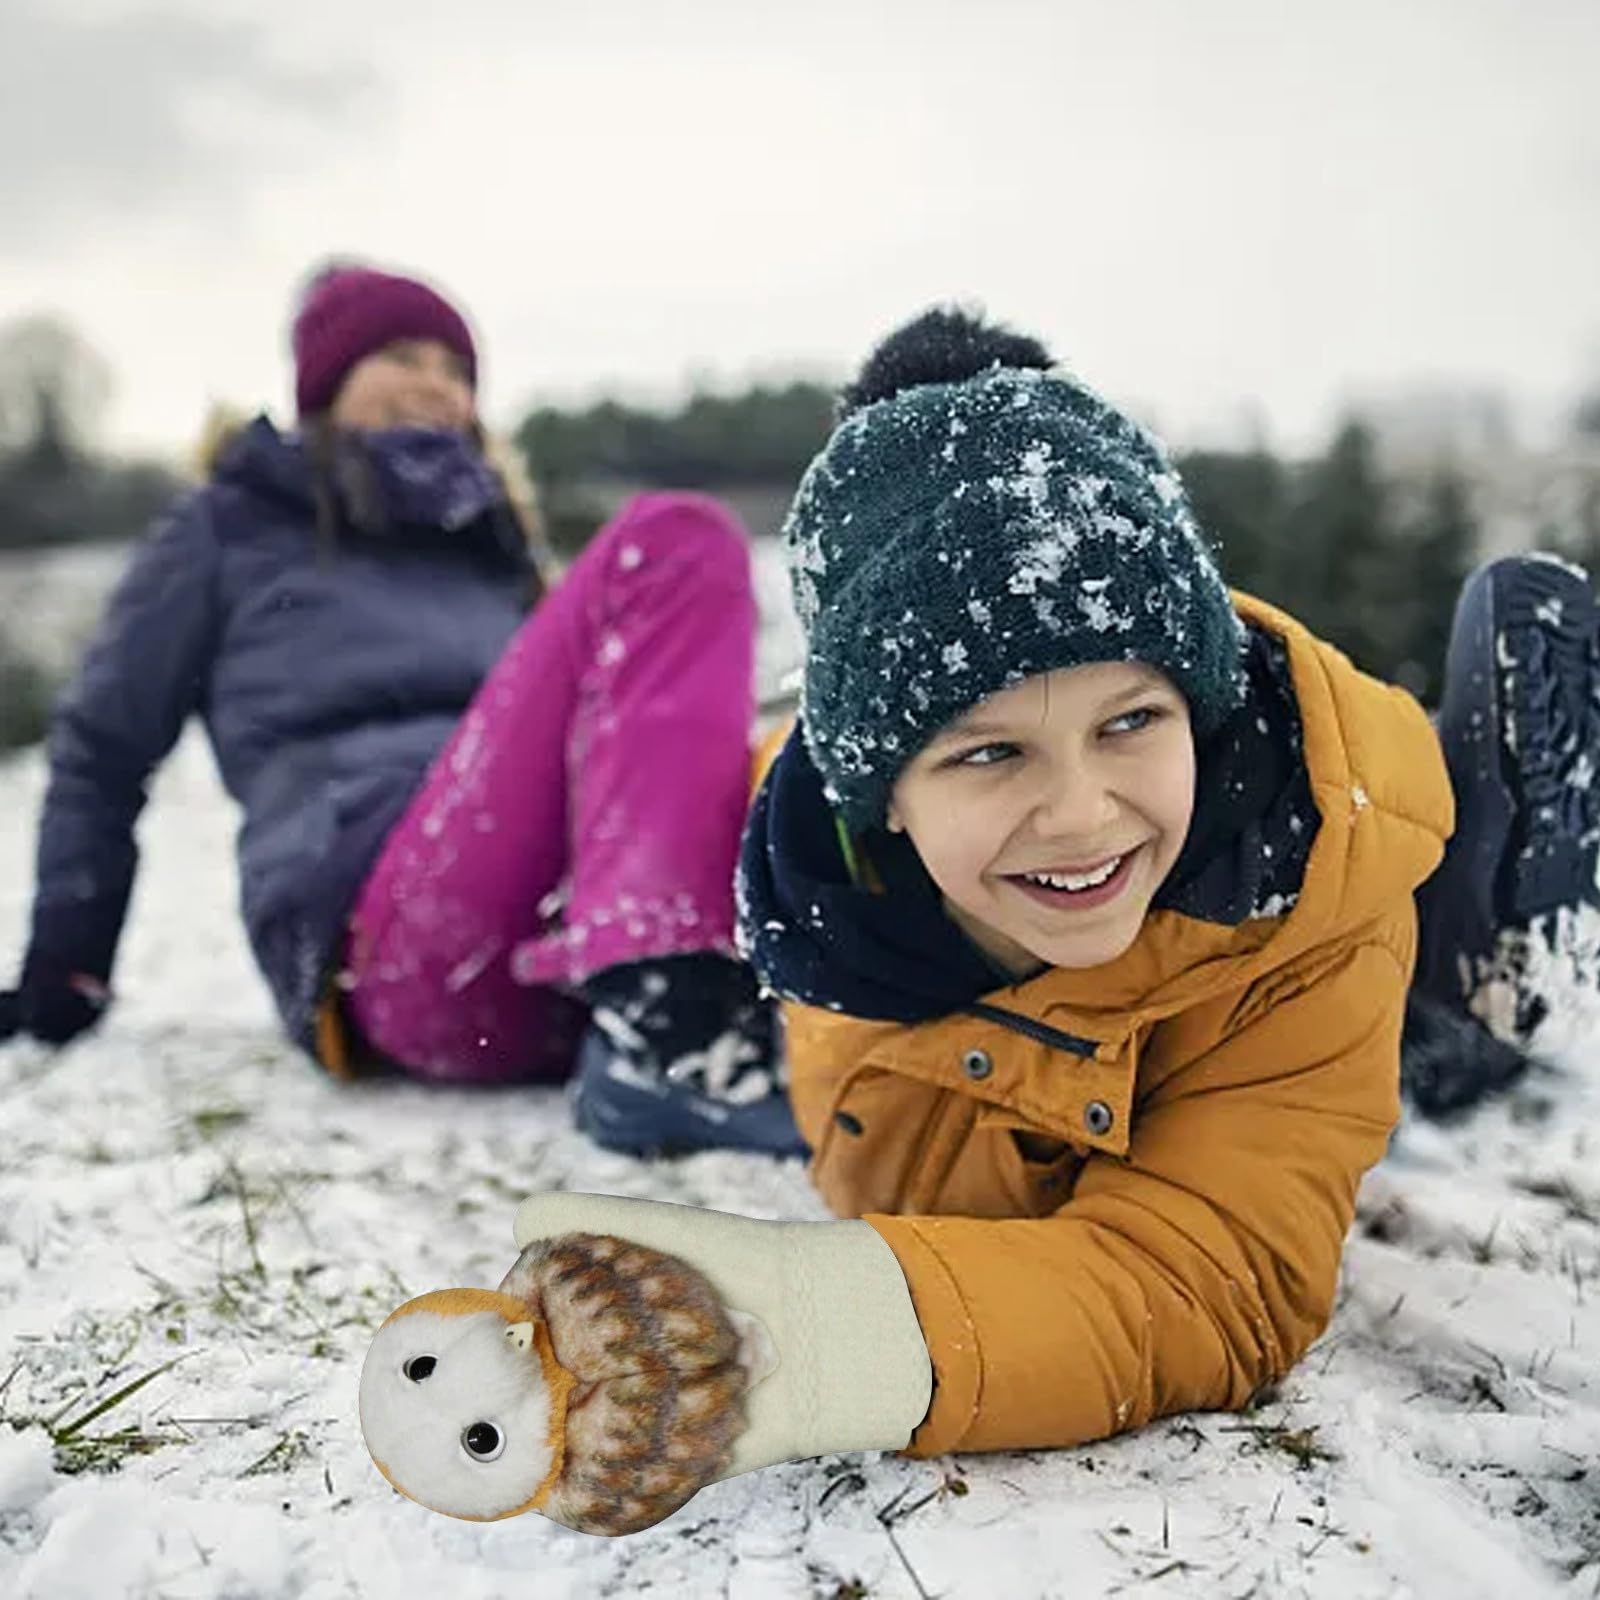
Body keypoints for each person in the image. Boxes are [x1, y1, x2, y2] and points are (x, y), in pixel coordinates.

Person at [512, 307, 1600, 1478]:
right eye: (989, 753)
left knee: (1369, 1013)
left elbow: (1204, 1274)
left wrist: (816, 1333)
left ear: (1202, 704)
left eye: (1131, 719)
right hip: (1024, 1051)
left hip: (1269, 978)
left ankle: (1467, 926)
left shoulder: (1310, 883)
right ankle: (1457, 961)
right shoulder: (822, 884)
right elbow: (926, 1192)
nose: (1080, 810)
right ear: (878, 794)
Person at [0, 261, 805, 1159]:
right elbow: (102, 749)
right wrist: (65, 968)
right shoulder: (229, 526)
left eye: (458, 370)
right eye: (402, 355)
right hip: (392, 945)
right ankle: (669, 1030)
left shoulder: (490, 545)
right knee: (673, 538)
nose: (438, 384)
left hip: (565, 972)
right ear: (328, 380)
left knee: (788, 754)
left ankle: (865, 1002)